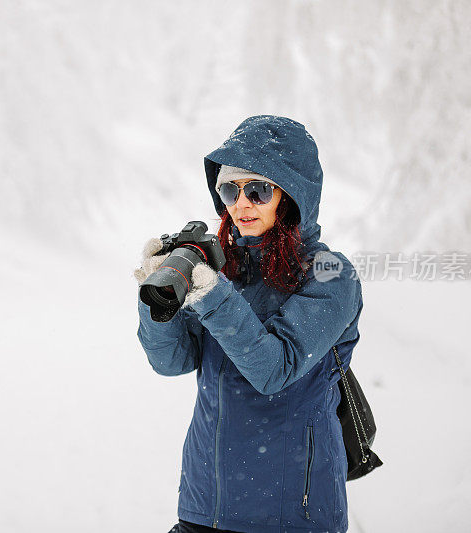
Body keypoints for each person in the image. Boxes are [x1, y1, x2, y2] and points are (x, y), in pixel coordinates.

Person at [134, 115, 363, 533]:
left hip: (292, 515)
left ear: (292, 197)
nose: (240, 205)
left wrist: (211, 292)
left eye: (258, 190)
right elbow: (171, 362)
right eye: (229, 190)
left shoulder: (331, 273)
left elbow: (273, 369)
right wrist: (158, 299)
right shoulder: (224, 268)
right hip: (204, 504)